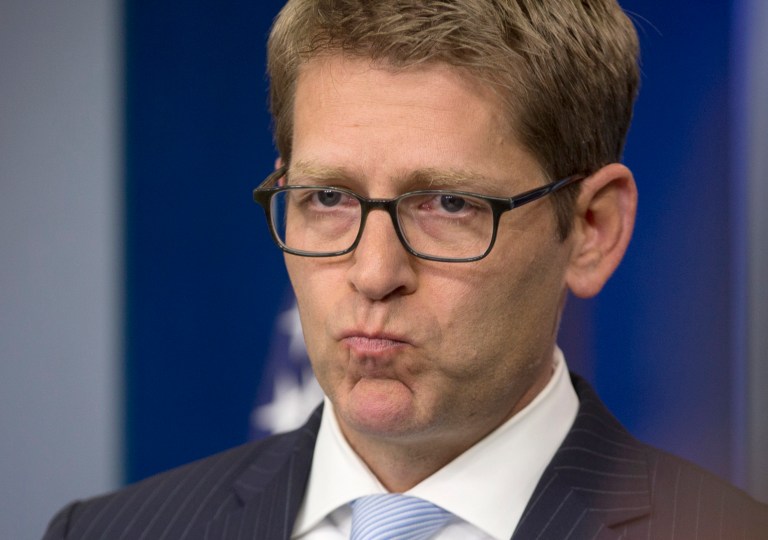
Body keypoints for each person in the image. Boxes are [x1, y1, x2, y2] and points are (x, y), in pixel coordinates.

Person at [43, 0, 768, 538]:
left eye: (449, 203)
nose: (373, 271)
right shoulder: (108, 531)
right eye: (327, 197)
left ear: (591, 228)